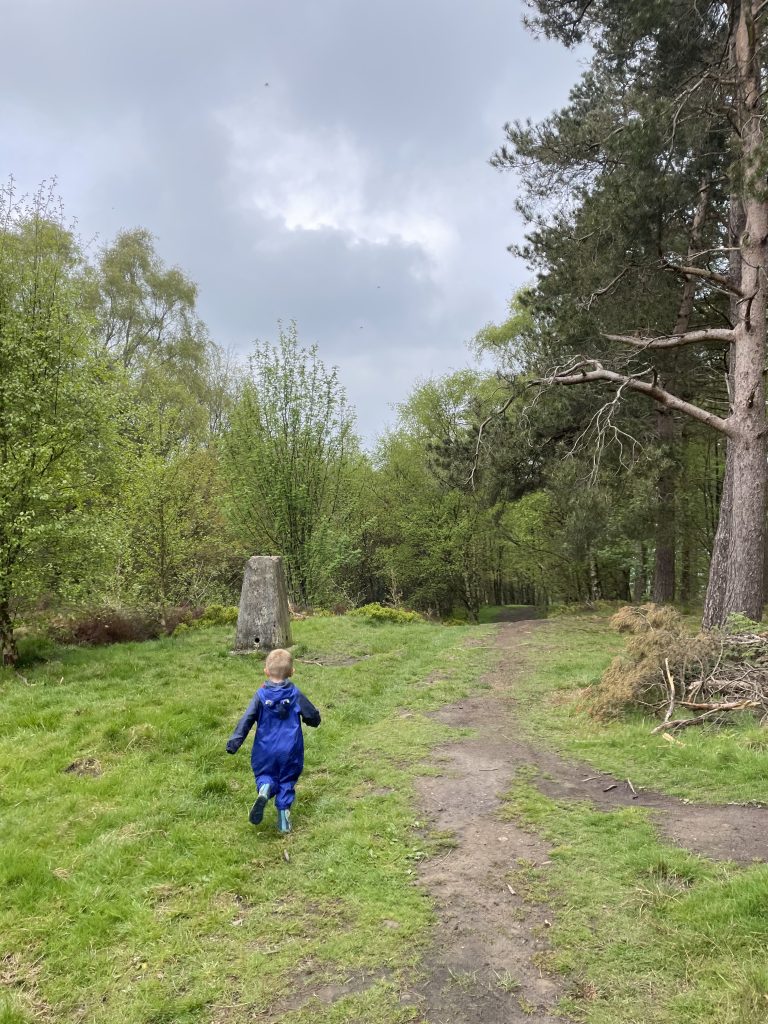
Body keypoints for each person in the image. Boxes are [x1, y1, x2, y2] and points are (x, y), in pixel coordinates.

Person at [226, 648, 321, 833]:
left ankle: (265, 789)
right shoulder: (295, 694)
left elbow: (246, 719)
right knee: (287, 779)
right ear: (292, 672)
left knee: (265, 775)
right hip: (290, 749)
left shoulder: (260, 696)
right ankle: (284, 820)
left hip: (264, 749)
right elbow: (311, 715)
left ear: (266, 671)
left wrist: (234, 743)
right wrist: (314, 720)